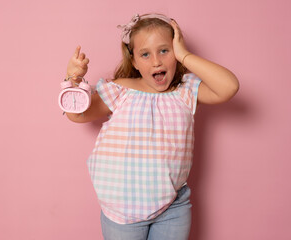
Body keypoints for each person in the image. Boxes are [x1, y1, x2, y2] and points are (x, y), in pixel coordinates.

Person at [63, 13, 239, 240]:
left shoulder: (185, 90)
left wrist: (184, 54)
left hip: (172, 206)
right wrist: (72, 78)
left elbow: (229, 87)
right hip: (122, 210)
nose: (156, 61)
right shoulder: (119, 90)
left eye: (165, 51)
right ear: (134, 61)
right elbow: (77, 115)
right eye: (145, 54)